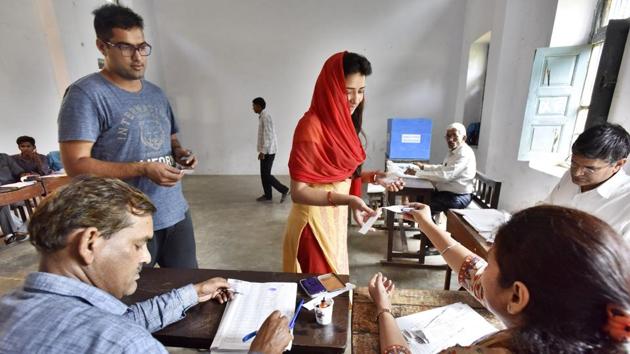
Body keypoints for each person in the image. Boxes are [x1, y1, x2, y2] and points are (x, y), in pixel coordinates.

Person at [0, 176, 292, 354]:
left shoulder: (8, 308)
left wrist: (192, 293)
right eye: (138, 244)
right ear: (90, 243)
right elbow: (118, 335)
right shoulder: (129, 346)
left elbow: (119, 322)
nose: (145, 257)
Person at [369, 204, 630, 353]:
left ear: (517, 296)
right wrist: (426, 224)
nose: (481, 264)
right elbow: (471, 270)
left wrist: (384, 309)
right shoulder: (598, 329)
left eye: (490, 260)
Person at [58, 4, 198, 268]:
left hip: (174, 213)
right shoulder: (86, 95)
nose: (138, 57)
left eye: (142, 46)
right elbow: (76, 165)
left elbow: (171, 139)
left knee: (189, 289)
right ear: (102, 46)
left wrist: (181, 154)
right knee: (131, 298)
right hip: (122, 224)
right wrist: (142, 169)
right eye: (125, 47)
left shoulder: (155, 93)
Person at [282, 52, 403, 274]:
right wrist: (349, 199)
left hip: (334, 222)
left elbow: (342, 175)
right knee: (318, 297)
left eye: (361, 91)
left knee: (334, 289)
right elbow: (299, 192)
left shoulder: (345, 123)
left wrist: (376, 177)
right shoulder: (310, 127)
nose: (355, 99)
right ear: (330, 89)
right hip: (313, 226)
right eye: (347, 92)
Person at [545, 123, 630, 241]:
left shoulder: (626, 202)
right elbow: (546, 209)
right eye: (574, 163)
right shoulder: (569, 177)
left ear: (618, 164)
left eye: (590, 168)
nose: (577, 173)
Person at [405, 122, 477, 214]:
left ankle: (428, 226)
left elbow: (445, 176)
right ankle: (422, 225)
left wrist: (417, 173)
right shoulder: (454, 150)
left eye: (455, 136)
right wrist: (423, 167)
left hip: (457, 196)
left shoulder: (463, 153)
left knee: (423, 209)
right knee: (418, 198)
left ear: (464, 138)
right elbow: (443, 167)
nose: (450, 139)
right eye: (448, 136)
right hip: (447, 193)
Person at [252, 97, 289, 203]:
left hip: (269, 150)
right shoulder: (262, 116)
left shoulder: (266, 117)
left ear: (259, 106)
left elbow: (268, 135)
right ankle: (268, 195)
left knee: (266, 174)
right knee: (264, 174)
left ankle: (284, 189)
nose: (252, 108)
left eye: (254, 106)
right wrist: (261, 151)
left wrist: (263, 151)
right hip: (266, 150)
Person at [0, 153, 28, 244]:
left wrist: (24, 176)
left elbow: (20, 172)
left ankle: (13, 233)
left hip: (15, 192)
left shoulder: (4, 157)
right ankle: (19, 231)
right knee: (2, 200)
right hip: (2, 196)